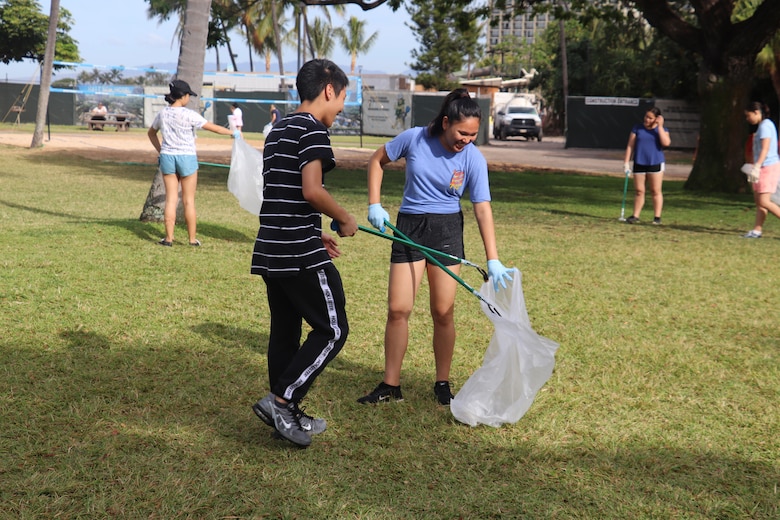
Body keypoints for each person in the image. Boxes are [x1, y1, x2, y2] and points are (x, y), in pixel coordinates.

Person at [357, 88, 514, 406]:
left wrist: (493, 259)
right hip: (410, 228)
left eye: (473, 134)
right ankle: (391, 386)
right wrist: (375, 204)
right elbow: (377, 160)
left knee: (443, 311)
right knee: (398, 309)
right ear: (446, 122)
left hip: (446, 231)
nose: (467, 140)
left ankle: (442, 383)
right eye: (462, 133)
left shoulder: (473, 158)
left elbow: (482, 208)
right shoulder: (414, 138)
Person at [250, 59, 358, 447]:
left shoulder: (277, 130)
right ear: (329, 89)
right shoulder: (313, 130)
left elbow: (284, 194)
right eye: (344, 97)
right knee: (333, 329)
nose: (343, 107)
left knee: (285, 329)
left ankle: (285, 414)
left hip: (272, 248)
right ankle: (283, 400)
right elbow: (312, 190)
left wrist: (316, 233)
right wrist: (343, 219)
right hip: (298, 252)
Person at [147, 79, 238, 247]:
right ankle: (191, 239)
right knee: (188, 200)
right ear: (183, 96)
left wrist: (161, 151)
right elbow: (215, 128)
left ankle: (168, 239)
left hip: (168, 157)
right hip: (187, 157)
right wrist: (232, 133)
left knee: (171, 199)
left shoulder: (162, 114)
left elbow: (151, 133)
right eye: (189, 95)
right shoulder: (189, 114)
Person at [623, 107, 671, 225]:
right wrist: (626, 162)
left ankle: (657, 217)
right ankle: (636, 215)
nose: (647, 119)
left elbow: (666, 143)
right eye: (646, 117)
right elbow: (630, 145)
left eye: (650, 118)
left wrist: (659, 127)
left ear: (656, 119)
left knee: (655, 190)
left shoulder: (663, 129)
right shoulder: (637, 128)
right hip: (639, 162)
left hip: (655, 163)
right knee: (639, 191)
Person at [742, 101, 780, 238]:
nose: (747, 119)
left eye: (748, 115)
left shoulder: (765, 126)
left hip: (767, 167)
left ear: (757, 112)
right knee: (759, 202)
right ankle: (757, 230)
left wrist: (757, 166)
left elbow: (765, 148)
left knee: (764, 201)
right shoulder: (762, 126)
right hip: (761, 167)